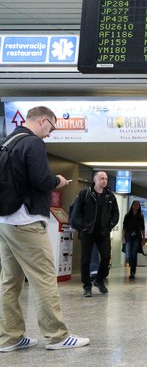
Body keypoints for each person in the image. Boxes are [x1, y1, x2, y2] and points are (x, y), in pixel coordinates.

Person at [0, 106, 89, 351]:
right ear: (42, 120)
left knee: (9, 281)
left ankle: (9, 337)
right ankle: (57, 336)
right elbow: (40, 179)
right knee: (44, 278)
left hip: (5, 221)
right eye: (51, 127)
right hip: (26, 221)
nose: (50, 133)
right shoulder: (33, 143)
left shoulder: (8, 141)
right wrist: (57, 181)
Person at [71, 170, 119, 297]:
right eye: (102, 178)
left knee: (105, 257)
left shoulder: (110, 196)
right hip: (88, 232)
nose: (104, 181)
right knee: (85, 260)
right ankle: (87, 286)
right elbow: (75, 214)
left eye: (106, 179)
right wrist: (82, 227)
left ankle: (99, 280)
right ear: (95, 180)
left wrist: (109, 227)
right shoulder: (84, 194)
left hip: (103, 232)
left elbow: (115, 214)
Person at [123, 200, 146, 279]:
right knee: (128, 255)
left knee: (133, 254)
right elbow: (124, 227)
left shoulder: (140, 216)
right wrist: (123, 237)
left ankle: (132, 272)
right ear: (132, 206)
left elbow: (142, 228)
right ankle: (131, 266)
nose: (136, 206)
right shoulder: (127, 215)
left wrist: (143, 238)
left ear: (139, 206)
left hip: (137, 237)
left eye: (137, 205)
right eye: (135, 204)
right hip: (128, 236)